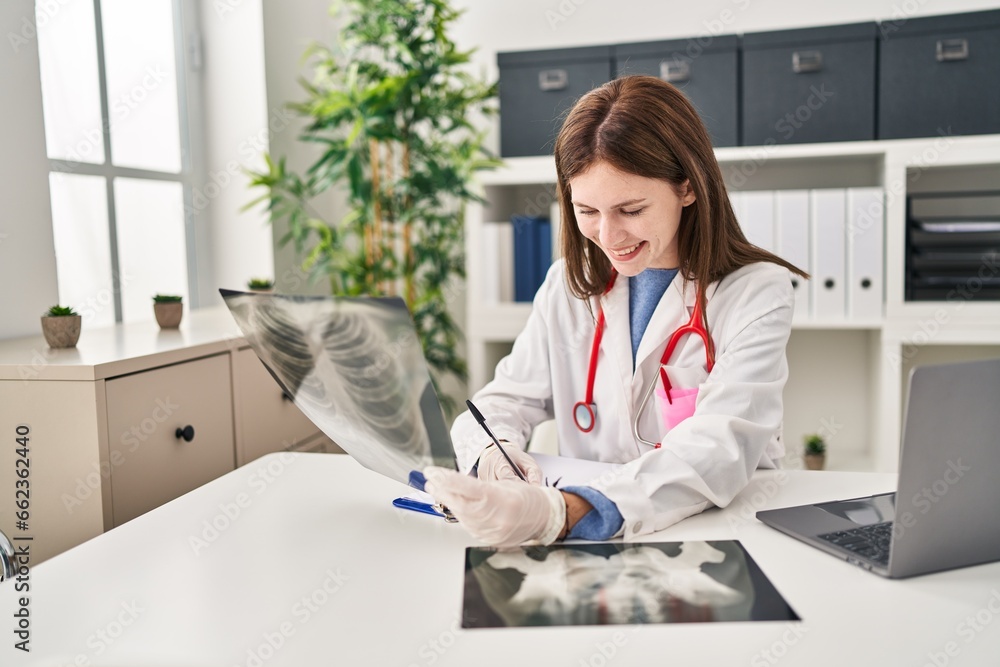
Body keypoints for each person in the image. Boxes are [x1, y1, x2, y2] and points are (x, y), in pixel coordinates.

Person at [423, 75, 808, 547]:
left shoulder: (755, 293)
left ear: (687, 187)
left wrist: (569, 512)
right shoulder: (568, 287)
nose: (608, 237)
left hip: (717, 537)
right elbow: (498, 404)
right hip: (589, 545)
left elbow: (718, 449)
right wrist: (492, 457)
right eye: (587, 211)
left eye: (630, 209)